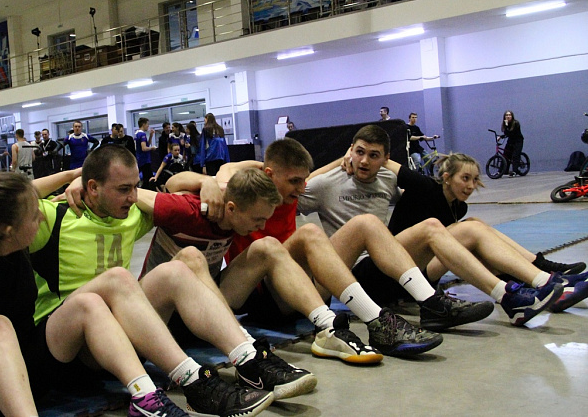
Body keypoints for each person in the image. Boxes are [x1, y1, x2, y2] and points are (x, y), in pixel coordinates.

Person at [0, 145, 311, 412]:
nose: (133, 196)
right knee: (117, 280)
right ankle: (189, 380)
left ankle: (247, 360)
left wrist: (209, 181)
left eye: (135, 187)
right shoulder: (53, 217)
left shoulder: (133, 214)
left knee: (179, 266)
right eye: (123, 189)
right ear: (92, 187)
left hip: (115, 334)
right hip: (67, 339)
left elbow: (175, 187)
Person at [167, 139, 491, 358]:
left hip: (299, 286)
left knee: (365, 223)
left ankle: (429, 303)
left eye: (303, 180)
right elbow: (177, 182)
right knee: (305, 234)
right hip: (260, 290)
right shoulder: (244, 189)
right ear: (269, 174)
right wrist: (209, 181)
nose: (302, 189)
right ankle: (374, 320)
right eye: (294, 182)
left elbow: (307, 176)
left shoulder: (291, 187)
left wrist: (343, 158)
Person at [0, 173, 188, 417]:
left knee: (88, 301)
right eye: (34, 214)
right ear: (9, 230)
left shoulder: (13, 241)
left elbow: (6, 197)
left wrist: (74, 177)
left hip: (26, 370)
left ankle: (146, 397)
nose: (42, 214)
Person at [299, 125, 567, 327]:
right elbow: (294, 193)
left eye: (373, 155)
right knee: (430, 227)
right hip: (356, 273)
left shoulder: (387, 181)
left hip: (391, 271)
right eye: (359, 153)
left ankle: (540, 281)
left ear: (385, 159)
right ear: (350, 151)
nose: (364, 161)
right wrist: (336, 162)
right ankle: (510, 294)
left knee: (469, 227)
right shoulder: (328, 182)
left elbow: (413, 197)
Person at [384, 152, 588, 314]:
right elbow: (386, 162)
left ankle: (532, 280)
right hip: (400, 273)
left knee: (475, 225)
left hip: (426, 272)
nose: (471, 186)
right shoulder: (425, 187)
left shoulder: (458, 207)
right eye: (465, 178)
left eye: (474, 180)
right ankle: (543, 278)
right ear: (447, 178)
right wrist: (364, 154)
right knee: (470, 229)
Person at [500, 110, 524, 177]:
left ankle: (515, 171)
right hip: (510, 141)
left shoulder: (516, 123)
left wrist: (506, 125)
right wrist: (501, 137)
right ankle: (502, 170)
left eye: (509, 115)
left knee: (515, 155)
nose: (508, 116)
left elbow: (511, 133)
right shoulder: (505, 124)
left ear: (512, 116)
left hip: (518, 141)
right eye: (506, 115)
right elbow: (507, 133)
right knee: (505, 155)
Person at [135, 118, 156, 187]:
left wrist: (151, 136)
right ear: (143, 124)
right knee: (149, 179)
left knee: (147, 178)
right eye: (147, 124)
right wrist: (152, 148)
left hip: (141, 159)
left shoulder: (137, 133)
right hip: (144, 160)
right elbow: (144, 148)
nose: (148, 126)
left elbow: (147, 144)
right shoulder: (142, 134)